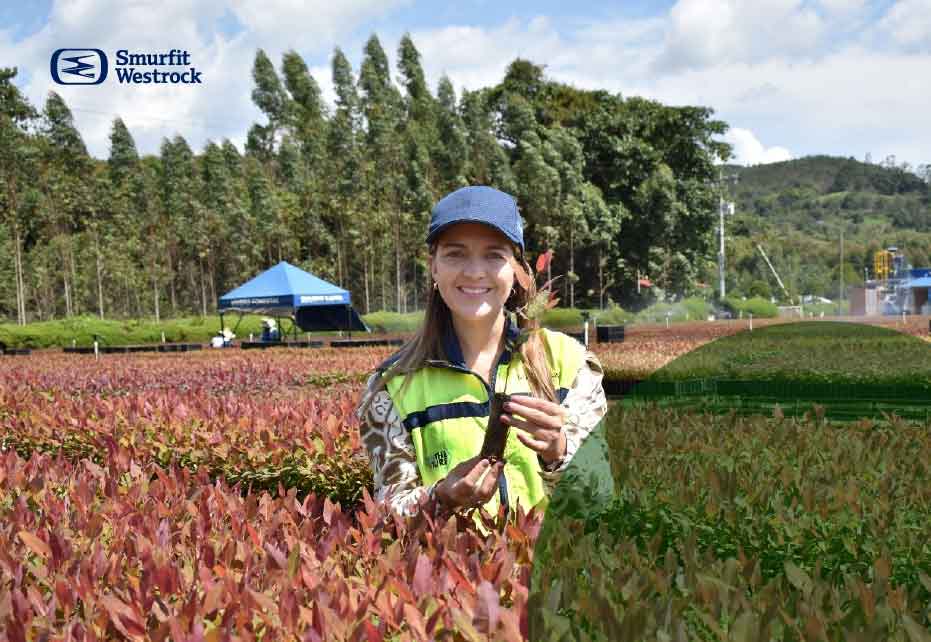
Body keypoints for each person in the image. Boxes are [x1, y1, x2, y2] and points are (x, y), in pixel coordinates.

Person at [355, 185, 607, 522]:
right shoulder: (392, 388)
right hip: (448, 573)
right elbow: (387, 512)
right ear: (433, 267)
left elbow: (601, 499)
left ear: (516, 269)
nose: (475, 272)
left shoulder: (569, 363)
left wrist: (558, 453)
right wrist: (440, 497)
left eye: (493, 255)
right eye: (455, 254)